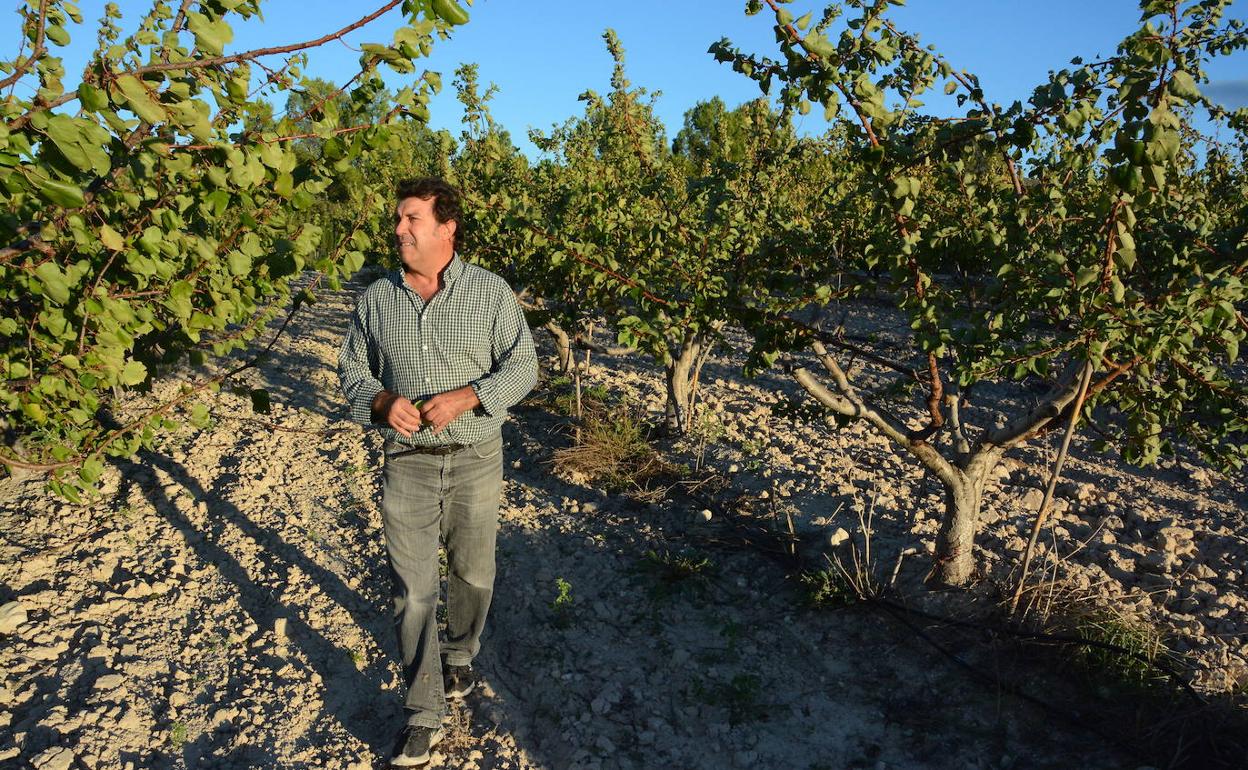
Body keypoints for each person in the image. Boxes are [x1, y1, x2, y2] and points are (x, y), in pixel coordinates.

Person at [337, 177, 538, 767]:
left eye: (411, 220)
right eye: (399, 220)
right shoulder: (377, 298)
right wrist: (380, 402)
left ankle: (461, 652)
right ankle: (423, 713)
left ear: (446, 228)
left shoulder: (490, 292)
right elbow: (352, 368)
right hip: (408, 466)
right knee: (414, 594)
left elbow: (523, 366)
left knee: (474, 576)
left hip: (476, 458)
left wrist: (469, 396)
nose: (399, 230)